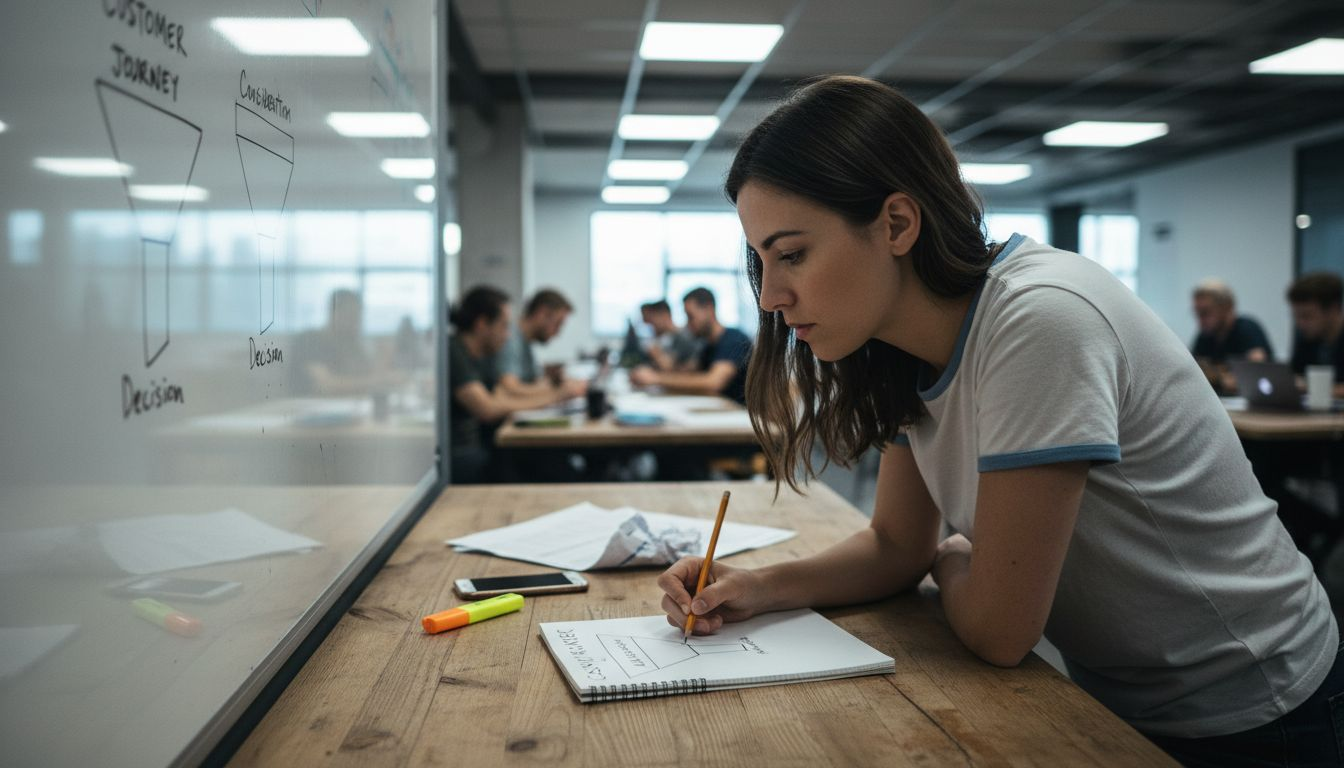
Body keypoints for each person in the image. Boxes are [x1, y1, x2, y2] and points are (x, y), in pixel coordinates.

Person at [654, 76, 1341, 767]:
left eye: (792, 253)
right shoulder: (902, 350)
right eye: (761, 261)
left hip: (1258, 707)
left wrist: (954, 557)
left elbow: (1000, 630)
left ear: (896, 224)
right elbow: (897, 545)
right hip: (1125, 699)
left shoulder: (1039, 322)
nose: (770, 296)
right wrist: (751, 587)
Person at [448, 286, 582, 483]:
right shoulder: (455, 352)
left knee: (554, 462)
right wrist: (557, 395)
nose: (508, 334)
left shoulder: (476, 357)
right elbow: (488, 408)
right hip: (467, 456)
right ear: (482, 324)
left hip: (482, 447)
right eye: (503, 326)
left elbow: (501, 395)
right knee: (552, 466)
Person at [629, 288, 752, 404]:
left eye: (690, 316)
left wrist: (656, 378)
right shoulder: (707, 345)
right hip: (720, 409)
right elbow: (688, 373)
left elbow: (714, 382)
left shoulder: (733, 339)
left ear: (709, 309)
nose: (688, 324)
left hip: (740, 415)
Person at [291, 289, 402, 396]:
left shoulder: (350, 343)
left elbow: (366, 376)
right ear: (334, 313)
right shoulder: (310, 340)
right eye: (351, 316)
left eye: (358, 317)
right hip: (307, 408)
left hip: (348, 407)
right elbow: (326, 385)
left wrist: (383, 359)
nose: (356, 323)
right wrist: (379, 380)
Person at [494, 288, 586, 398]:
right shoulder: (510, 339)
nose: (557, 333)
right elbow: (510, 389)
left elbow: (532, 382)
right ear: (542, 313)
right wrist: (561, 390)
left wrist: (554, 380)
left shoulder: (525, 342)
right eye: (558, 324)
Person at [1190, 279, 1273, 392]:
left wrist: (1218, 377)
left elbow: (1257, 371)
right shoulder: (1204, 337)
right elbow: (1193, 373)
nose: (1200, 320)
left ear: (1227, 307)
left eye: (1205, 312)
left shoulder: (1247, 329)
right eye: (1197, 313)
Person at [1288, 272, 1344, 399]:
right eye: (1296, 316)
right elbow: (1295, 376)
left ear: (1333, 310)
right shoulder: (1305, 339)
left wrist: (1312, 388)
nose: (1300, 323)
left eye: (1307, 316)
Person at [639, 299, 704, 371]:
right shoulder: (667, 338)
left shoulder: (683, 337)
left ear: (664, 315)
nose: (653, 325)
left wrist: (656, 354)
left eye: (654, 319)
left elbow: (672, 369)